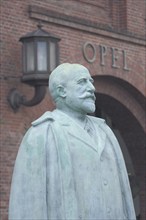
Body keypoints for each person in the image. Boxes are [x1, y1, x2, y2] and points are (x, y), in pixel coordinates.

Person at [9, 63, 136, 220]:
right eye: (82, 82)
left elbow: (125, 197)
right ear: (62, 91)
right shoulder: (41, 134)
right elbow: (25, 205)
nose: (91, 88)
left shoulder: (106, 132)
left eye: (91, 82)